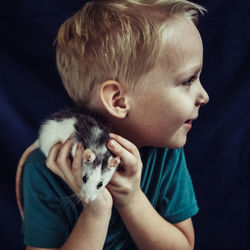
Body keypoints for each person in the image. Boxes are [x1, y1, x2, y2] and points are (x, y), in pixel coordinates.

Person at [20, 0, 209, 249]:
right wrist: (96, 210)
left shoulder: (166, 152)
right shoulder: (45, 169)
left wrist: (131, 199)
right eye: (188, 80)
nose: (204, 96)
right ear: (118, 100)